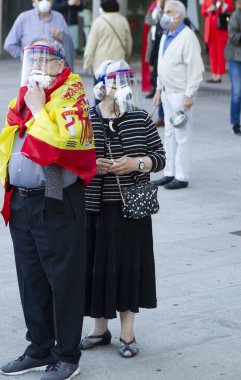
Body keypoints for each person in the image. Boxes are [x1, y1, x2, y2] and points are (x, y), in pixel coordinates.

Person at [0, 38, 96, 380]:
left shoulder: (72, 96)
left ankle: (67, 356)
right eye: (31, 59)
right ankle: (38, 347)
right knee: (31, 279)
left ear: (59, 64)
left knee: (63, 281)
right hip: (22, 201)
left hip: (56, 202)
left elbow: (60, 146)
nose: (36, 65)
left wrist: (39, 109)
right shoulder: (27, 95)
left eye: (44, 59)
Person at [80, 60, 166, 359]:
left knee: (130, 264)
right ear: (101, 86)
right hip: (95, 206)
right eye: (117, 81)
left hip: (132, 207)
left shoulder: (140, 117)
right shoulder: (86, 118)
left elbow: (159, 157)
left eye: (126, 80)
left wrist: (136, 164)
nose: (123, 87)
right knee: (96, 264)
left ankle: (127, 334)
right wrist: (93, 167)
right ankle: (99, 329)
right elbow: (73, 161)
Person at [152, 0, 204, 190]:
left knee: (182, 135)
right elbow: (161, 65)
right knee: (169, 135)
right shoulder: (166, 34)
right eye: (164, 11)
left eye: (168, 11)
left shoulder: (187, 36)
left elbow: (196, 69)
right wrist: (158, 89)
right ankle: (169, 172)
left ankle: (182, 176)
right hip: (167, 92)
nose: (164, 15)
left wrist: (189, 94)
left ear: (179, 16)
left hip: (181, 94)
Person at [4, 0, 75, 70]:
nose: (44, 2)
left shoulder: (59, 17)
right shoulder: (24, 18)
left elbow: (70, 44)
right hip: (31, 71)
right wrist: (26, 56)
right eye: (40, 0)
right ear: (33, 1)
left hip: (54, 71)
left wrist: (62, 36)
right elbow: (9, 44)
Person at [83, 0, 132, 76]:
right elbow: (129, 43)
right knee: (117, 86)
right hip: (118, 63)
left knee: (100, 87)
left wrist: (86, 64)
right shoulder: (123, 20)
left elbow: (91, 45)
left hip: (101, 66)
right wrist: (127, 56)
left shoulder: (98, 22)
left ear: (102, 7)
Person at [201, 0, 234, 83]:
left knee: (220, 51)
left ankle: (219, 74)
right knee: (212, 52)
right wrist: (209, 10)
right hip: (210, 27)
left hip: (220, 27)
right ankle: (214, 73)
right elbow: (203, 12)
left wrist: (223, 4)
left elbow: (230, 9)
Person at [224, 0, 241, 135]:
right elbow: (233, 36)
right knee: (237, 92)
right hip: (235, 58)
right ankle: (235, 123)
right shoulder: (236, 16)